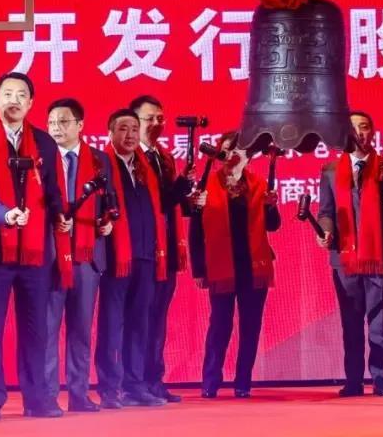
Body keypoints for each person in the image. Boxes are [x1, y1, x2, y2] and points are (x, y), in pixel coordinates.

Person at [0, 72, 64, 420]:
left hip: (35, 251)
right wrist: (4, 213)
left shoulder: (44, 143)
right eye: (7, 93)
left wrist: (61, 215)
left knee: (36, 330)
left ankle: (38, 399)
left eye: (21, 94)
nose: (14, 99)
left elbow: (53, 191)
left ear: (31, 103)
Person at [190, 131, 281, 398]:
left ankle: (243, 382)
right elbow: (196, 230)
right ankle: (210, 380)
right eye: (227, 149)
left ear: (248, 155)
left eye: (238, 150)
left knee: (250, 327)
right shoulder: (207, 184)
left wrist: (271, 206)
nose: (232, 155)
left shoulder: (259, 184)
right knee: (220, 325)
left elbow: (272, 226)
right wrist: (199, 269)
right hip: (221, 266)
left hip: (253, 266)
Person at [42, 98, 114, 413]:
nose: (56, 128)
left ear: (80, 125)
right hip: (51, 255)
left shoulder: (99, 160)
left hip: (87, 256)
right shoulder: (42, 159)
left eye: (63, 121)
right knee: (47, 330)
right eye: (51, 122)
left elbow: (109, 202)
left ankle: (79, 394)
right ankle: (46, 396)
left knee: (81, 331)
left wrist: (108, 222)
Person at [317, 111, 383, 397]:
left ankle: (380, 379)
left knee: (378, 324)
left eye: (364, 127)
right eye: (353, 128)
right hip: (344, 259)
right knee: (350, 323)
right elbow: (326, 212)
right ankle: (353, 380)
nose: (359, 133)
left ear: (372, 131)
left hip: (378, 257)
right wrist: (325, 231)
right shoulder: (330, 170)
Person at [96, 109, 169, 408]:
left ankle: (135, 386)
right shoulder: (101, 163)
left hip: (145, 257)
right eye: (123, 129)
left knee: (140, 324)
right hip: (116, 258)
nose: (130, 135)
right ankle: (109, 388)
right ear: (110, 133)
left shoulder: (145, 167)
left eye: (134, 129)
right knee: (112, 326)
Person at [130, 95, 194, 403]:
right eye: (149, 118)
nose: (156, 124)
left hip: (166, 250)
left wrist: (189, 198)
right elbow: (152, 203)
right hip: (143, 252)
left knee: (158, 319)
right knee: (140, 320)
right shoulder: (131, 159)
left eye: (160, 118)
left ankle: (154, 380)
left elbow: (171, 205)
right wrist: (178, 190)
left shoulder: (164, 157)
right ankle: (135, 382)